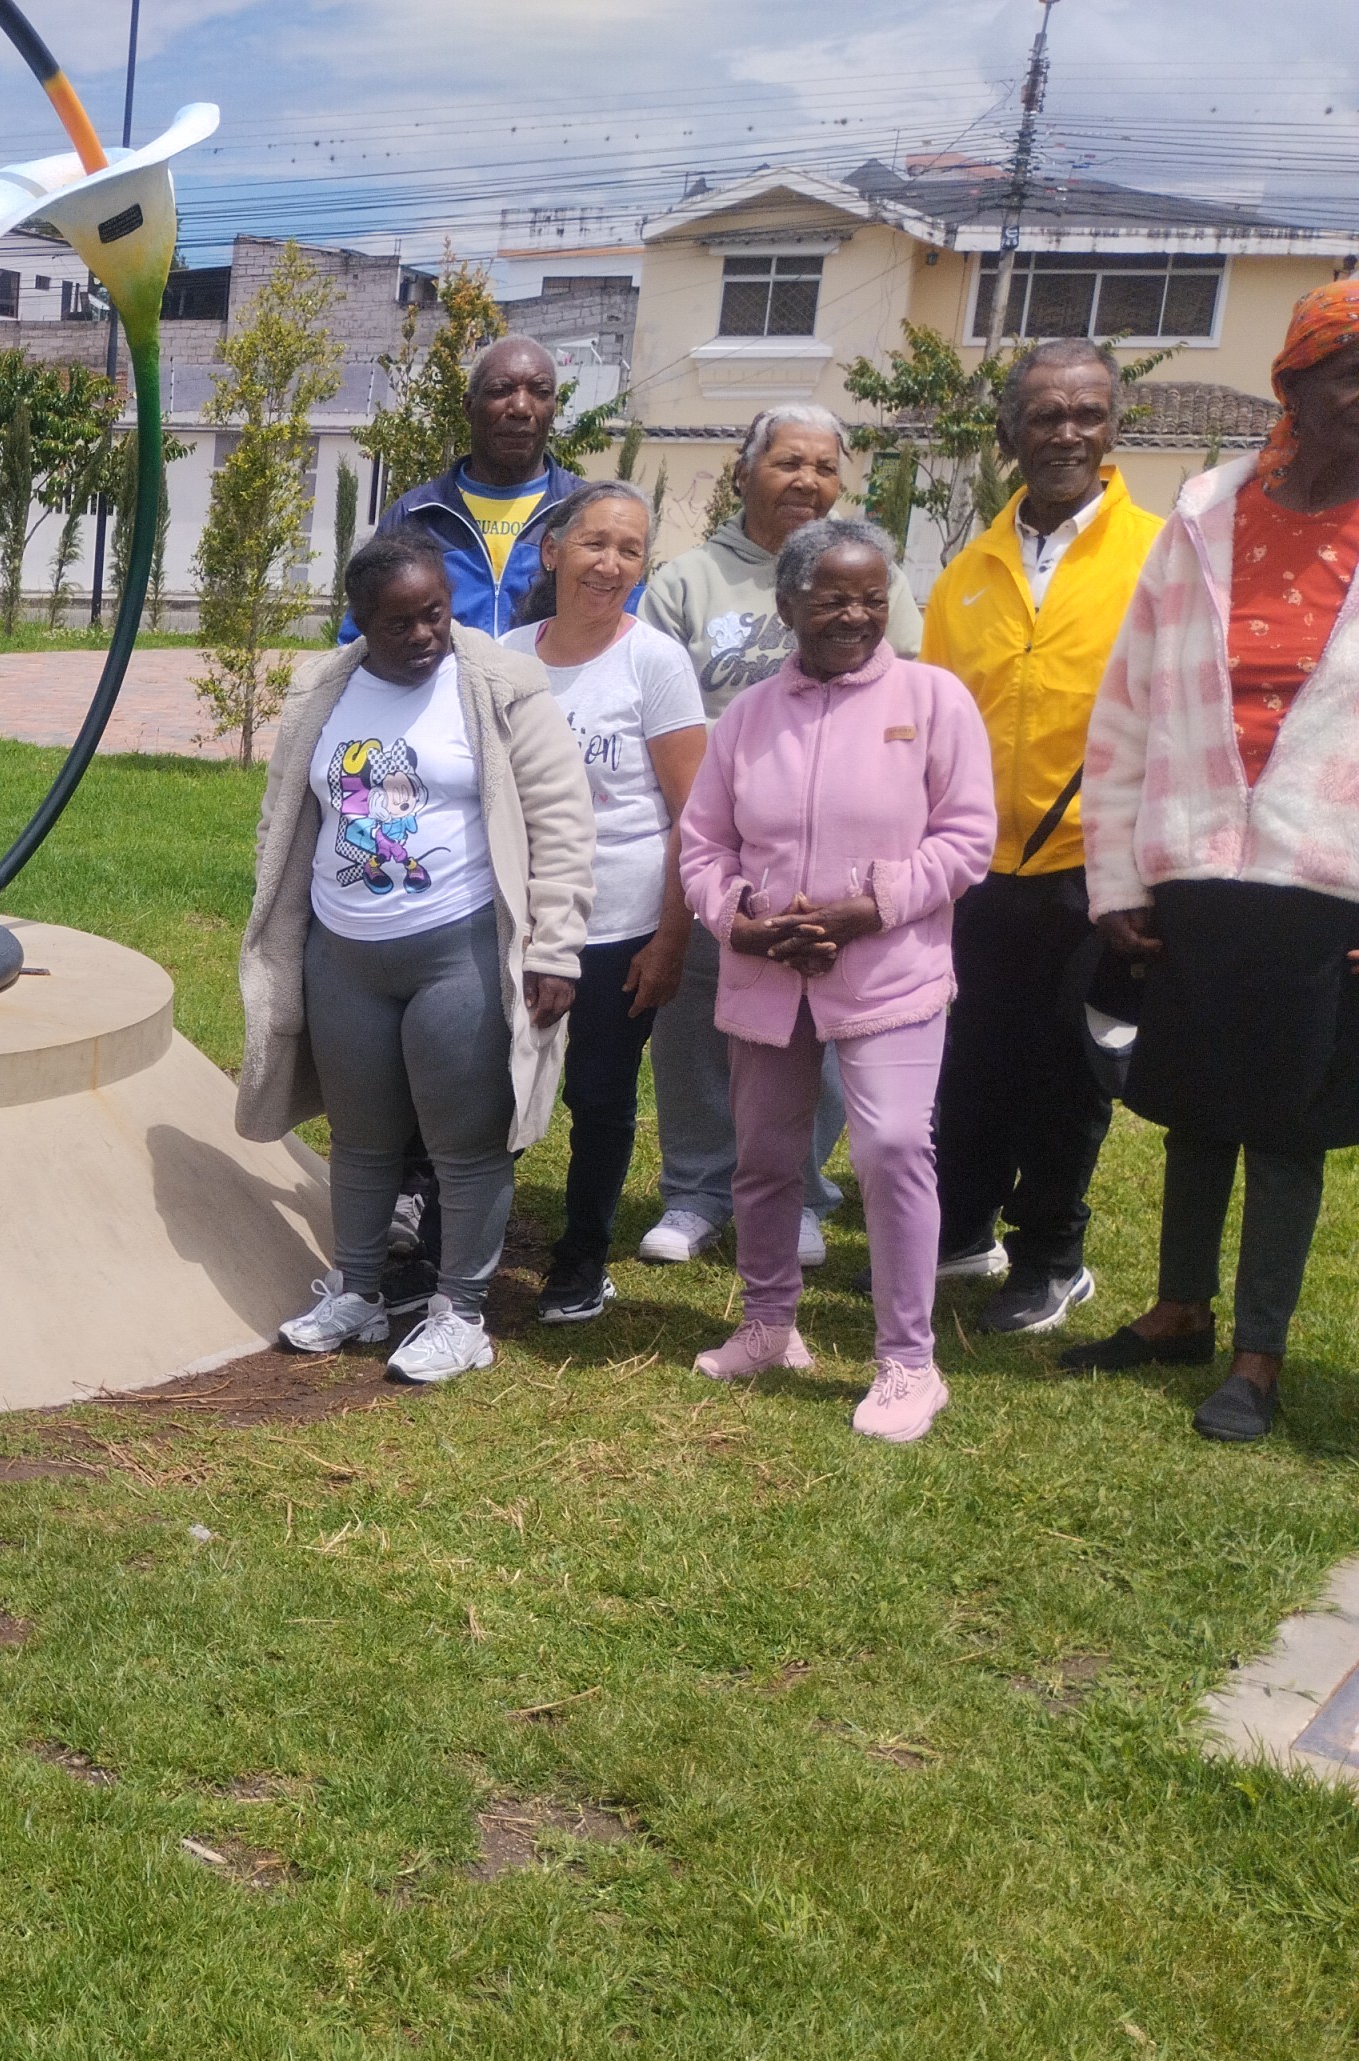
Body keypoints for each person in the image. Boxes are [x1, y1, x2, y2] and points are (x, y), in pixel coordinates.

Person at [1060, 278, 1359, 1443]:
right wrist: (1117, 876)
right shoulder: (1204, 515)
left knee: (1286, 1128)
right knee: (1193, 1104)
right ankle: (1178, 1309)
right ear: (1298, 384)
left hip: (1324, 877)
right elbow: (1128, 704)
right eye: (1354, 376)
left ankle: (1258, 1355)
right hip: (1195, 865)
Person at [237, 531, 593, 1386]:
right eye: (398, 623)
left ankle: (460, 1314)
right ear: (360, 621)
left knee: (465, 1140)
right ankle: (358, 1291)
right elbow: (285, 814)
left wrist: (556, 948)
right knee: (361, 1137)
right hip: (345, 955)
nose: (424, 634)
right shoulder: (322, 690)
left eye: (435, 612)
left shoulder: (501, 685)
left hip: (457, 950)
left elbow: (562, 824)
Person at [675, 517, 995, 1443]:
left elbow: (967, 838)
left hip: (889, 966)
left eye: (871, 598)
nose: (855, 615)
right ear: (786, 608)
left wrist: (871, 907)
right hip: (768, 972)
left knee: (892, 1147)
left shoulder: (933, 700)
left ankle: (908, 1363)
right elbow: (703, 844)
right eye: (831, 600)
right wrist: (741, 920)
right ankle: (769, 1325)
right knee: (766, 1154)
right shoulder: (746, 717)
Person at [636, 403, 924, 1271]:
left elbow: (901, 696)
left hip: (839, 847)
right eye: (788, 462)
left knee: (824, 1017)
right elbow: (654, 704)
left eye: (825, 467)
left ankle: (797, 1191)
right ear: (745, 471)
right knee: (697, 1015)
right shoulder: (687, 581)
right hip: (715, 835)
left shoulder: (873, 573)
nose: (807, 480)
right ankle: (696, 1190)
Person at [924, 340, 1163, 1335]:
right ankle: (961, 1229)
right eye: (1045, 414)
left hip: (1098, 870)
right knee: (973, 1057)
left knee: (1071, 1072)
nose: (1067, 433)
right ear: (1009, 431)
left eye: (1087, 413)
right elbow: (934, 727)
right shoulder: (965, 575)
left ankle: (1052, 1259)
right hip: (979, 868)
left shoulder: (1162, 557)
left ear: (1113, 428)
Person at [500, 480, 708, 1324]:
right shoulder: (505, 655)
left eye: (630, 550)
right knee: (495, 1086)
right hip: (518, 921)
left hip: (620, 925)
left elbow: (694, 816)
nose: (610, 564)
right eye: (594, 543)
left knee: (599, 1094)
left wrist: (670, 940)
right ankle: (465, 1240)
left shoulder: (654, 661)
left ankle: (582, 1259)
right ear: (553, 551)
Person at [344, 338, 582, 640]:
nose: (521, 408)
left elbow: (623, 632)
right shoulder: (416, 515)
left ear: (554, 408)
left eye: (540, 392)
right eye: (501, 390)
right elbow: (361, 637)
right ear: (469, 407)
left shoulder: (584, 513)